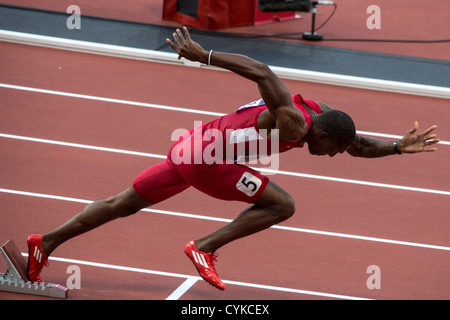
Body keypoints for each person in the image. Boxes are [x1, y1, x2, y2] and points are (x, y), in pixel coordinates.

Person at [26, 27, 440, 291]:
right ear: (323, 133)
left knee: (122, 204)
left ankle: (45, 243)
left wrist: (399, 147)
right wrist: (203, 56)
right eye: (331, 149)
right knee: (282, 205)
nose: (331, 156)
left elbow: (360, 146)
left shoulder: (320, 112)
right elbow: (262, 70)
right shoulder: (295, 124)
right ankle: (204, 247)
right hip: (209, 161)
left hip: (192, 145)